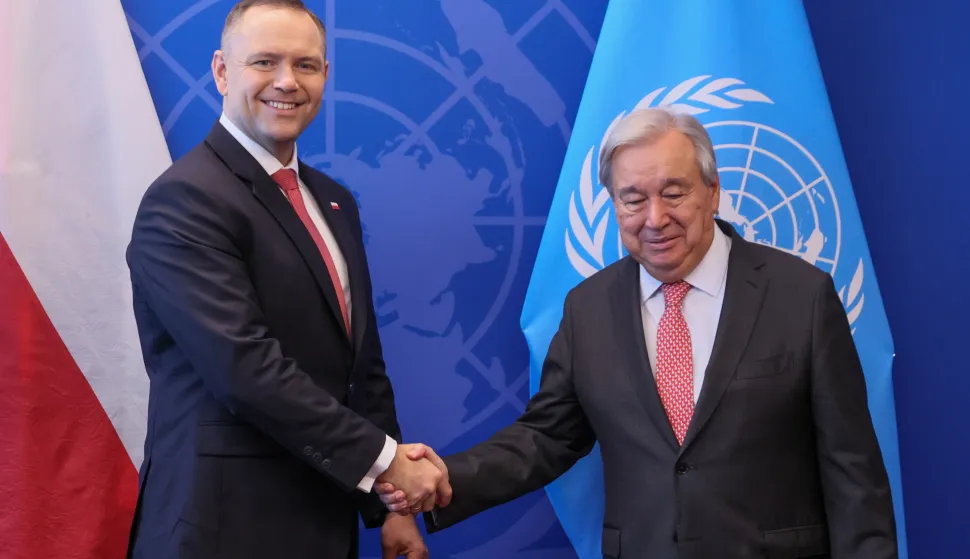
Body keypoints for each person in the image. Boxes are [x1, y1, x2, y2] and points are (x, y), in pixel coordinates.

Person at [377, 107, 898, 558]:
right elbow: (547, 437)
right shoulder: (588, 309)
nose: (655, 218)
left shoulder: (800, 296)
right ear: (613, 204)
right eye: (632, 199)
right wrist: (446, 477)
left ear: (713, 192)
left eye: (674, 192)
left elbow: (853, 472)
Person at [124, 1, 449, 557]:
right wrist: (386, 463)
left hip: (323, 518)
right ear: (223, 71)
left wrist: (389, 504)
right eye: (265, 62)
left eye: (306, 65)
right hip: (223, 527)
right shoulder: (186, 199)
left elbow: (361, 369)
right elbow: (243, 368)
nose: (286, 82)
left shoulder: (333, 202)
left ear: (325, 75)